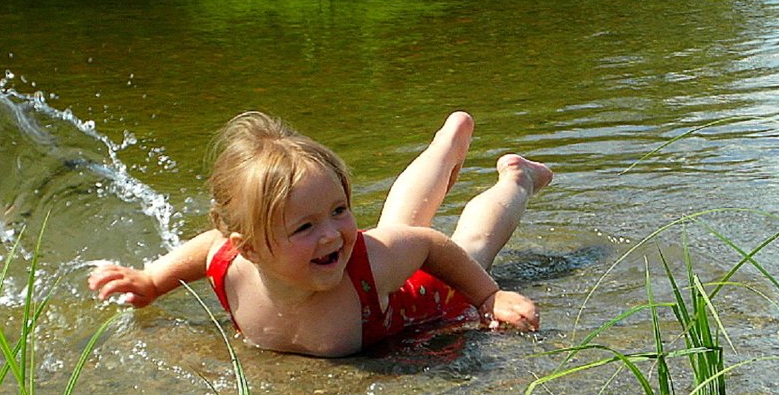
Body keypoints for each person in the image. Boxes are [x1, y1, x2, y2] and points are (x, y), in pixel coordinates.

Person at [88, 111, 552, 357]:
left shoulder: (364, 257)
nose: (331, 234)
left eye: (340, 210)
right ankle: (447, 145)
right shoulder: (230, 263)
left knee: (473, 243)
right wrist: (152, 282)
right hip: (378, 271)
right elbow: (206, 247)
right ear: (246, 246)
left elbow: (430, 245)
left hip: (420, 287)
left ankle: (516, 180)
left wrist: (487, 296)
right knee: (397, 226)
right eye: (306, 226)